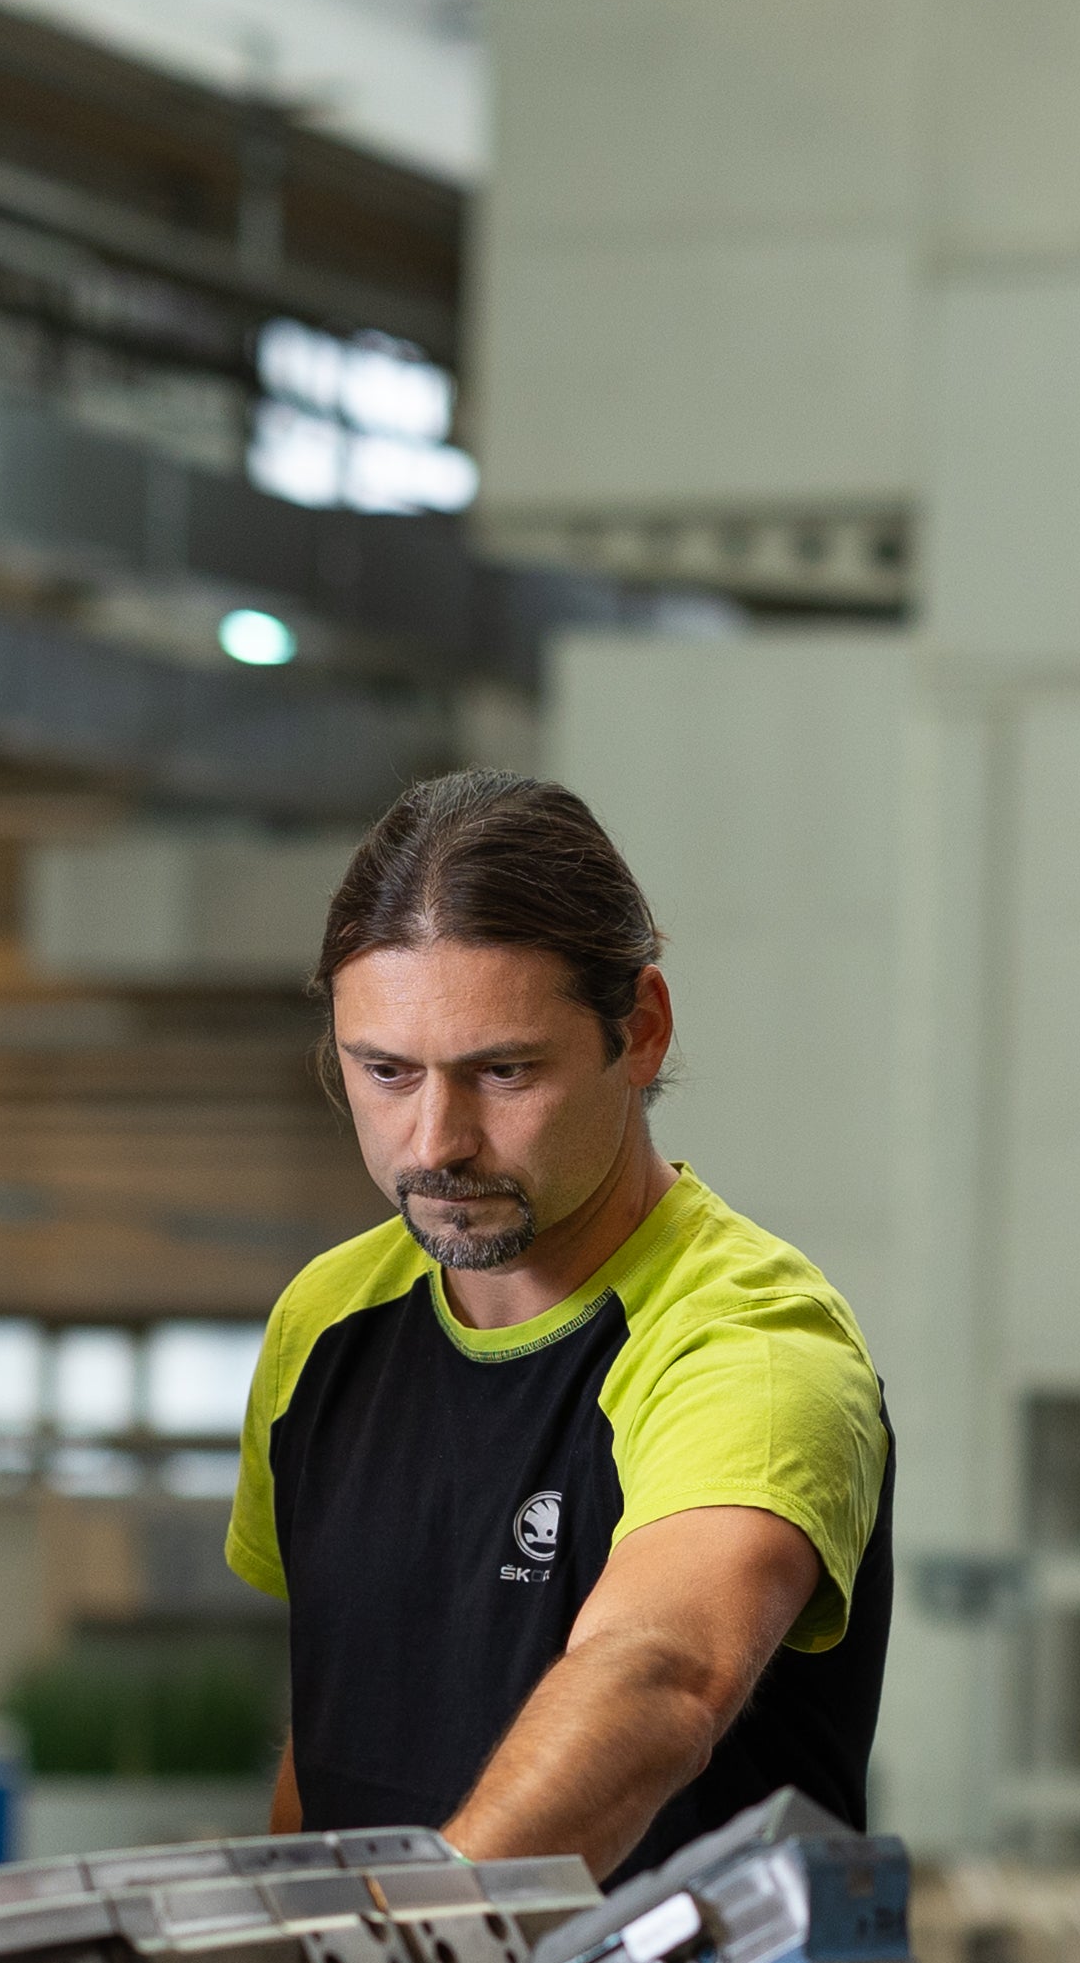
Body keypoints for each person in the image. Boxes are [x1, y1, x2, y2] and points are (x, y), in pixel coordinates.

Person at [225, 772, 892, 1872]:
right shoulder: (325, 1321)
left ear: (642, 1031)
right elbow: (332, 1727)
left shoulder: (751, 1346)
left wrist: (414, 1937)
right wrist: (295, 1959)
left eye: (503, 1071)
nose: (435, 1141)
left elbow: (658, 1677)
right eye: (386, 1072)